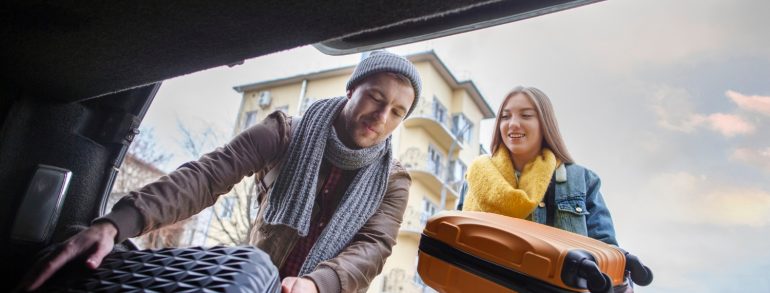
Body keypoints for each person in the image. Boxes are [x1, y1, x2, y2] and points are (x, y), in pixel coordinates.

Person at [21, 51, 422, 293]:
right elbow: (209, 175)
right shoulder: (286, 132)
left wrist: (321, 283)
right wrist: (115, 225)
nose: (382, 117)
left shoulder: (395, 180)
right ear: (352, 90)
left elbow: (374, 246)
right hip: (251, 282)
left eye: (397, 112)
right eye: (375, 98)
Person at [460, 86, 618, 245]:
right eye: (505, 116)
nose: (513, 124)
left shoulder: (582, 180)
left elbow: (607, 252)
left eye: (526, 115)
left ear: (545, 123)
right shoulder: (475, 177)